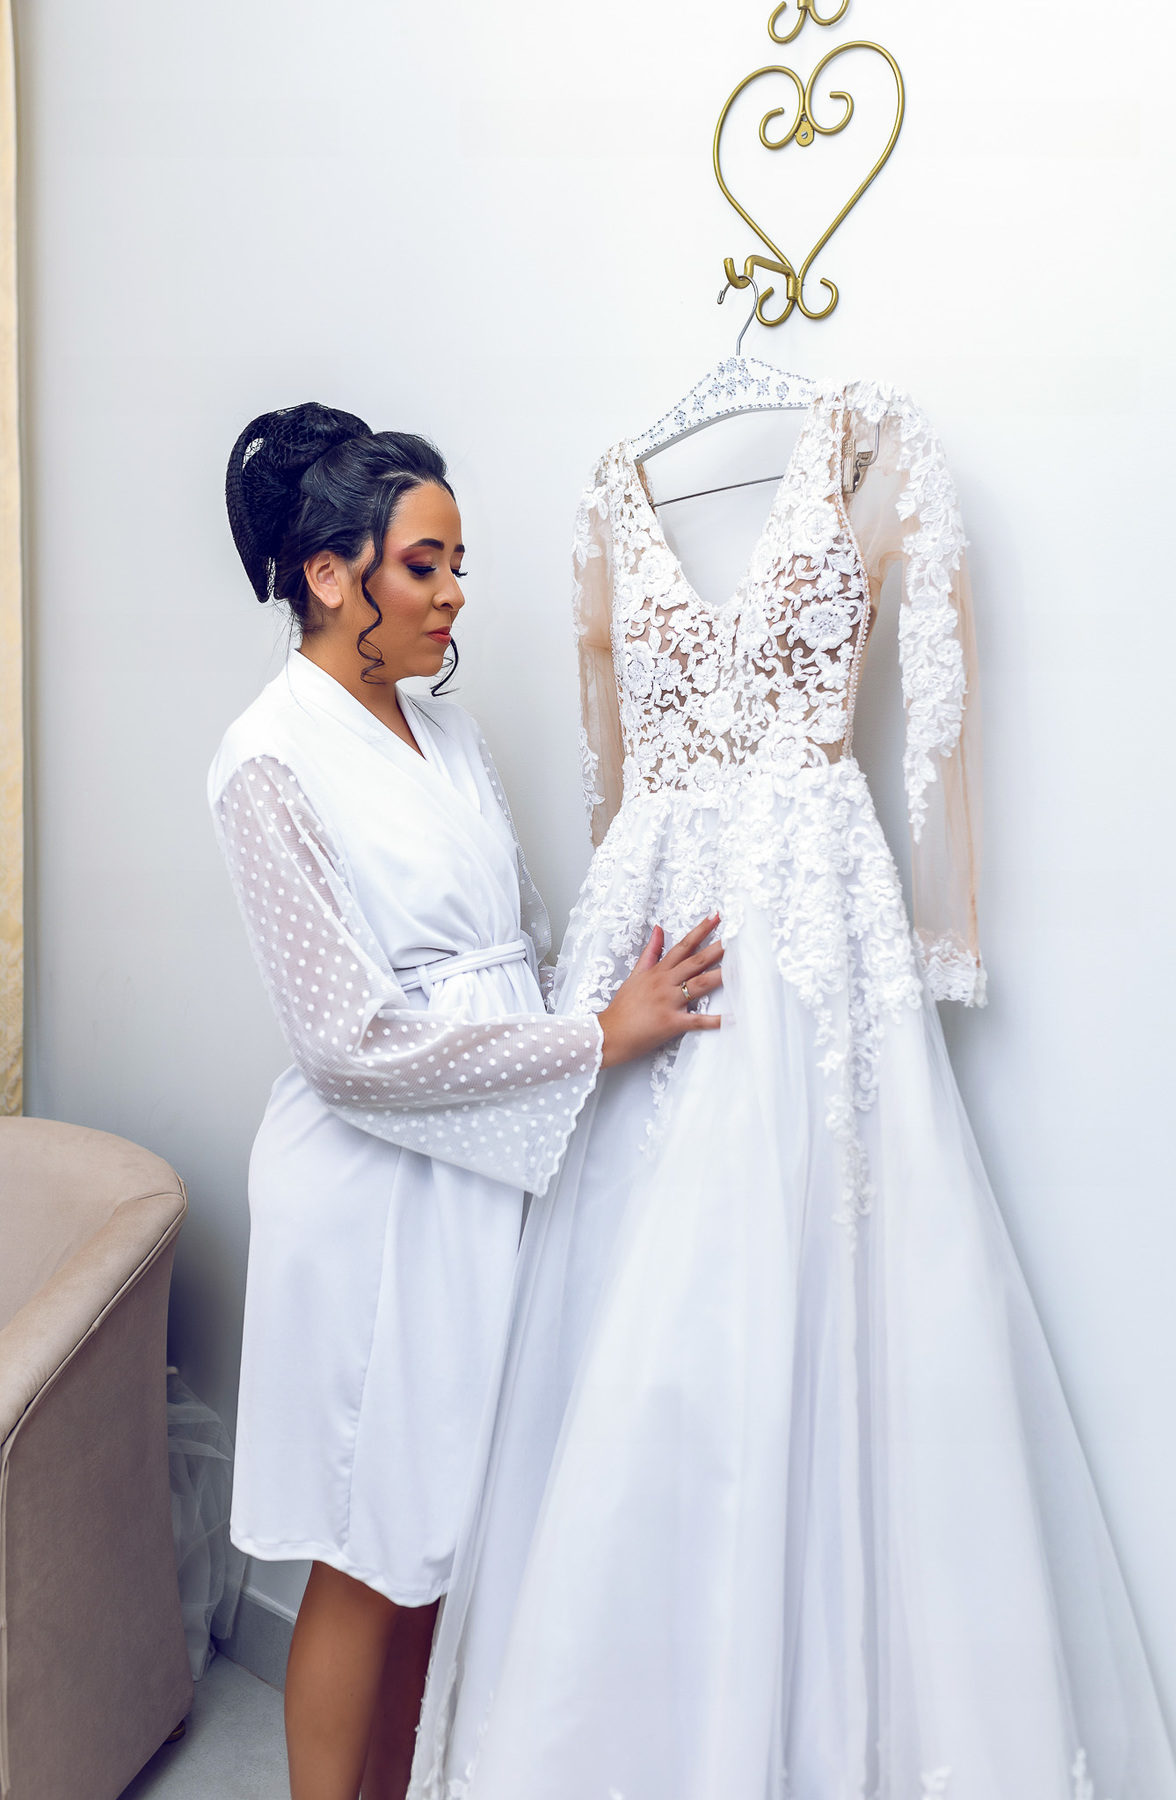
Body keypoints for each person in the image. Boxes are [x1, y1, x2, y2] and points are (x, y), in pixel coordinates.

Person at [209, 401, 723, 1800]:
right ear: (331, 575)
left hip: (491, 1168)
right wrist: (592, 1044)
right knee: (369, 1545)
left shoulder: (452, 734)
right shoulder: (267, 760)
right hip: (370, 1195)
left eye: (457, 566)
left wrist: (616, 1006)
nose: (451, 595)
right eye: (423, 565)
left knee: (452, 1537)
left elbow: (519, 944)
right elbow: (345, 1044)